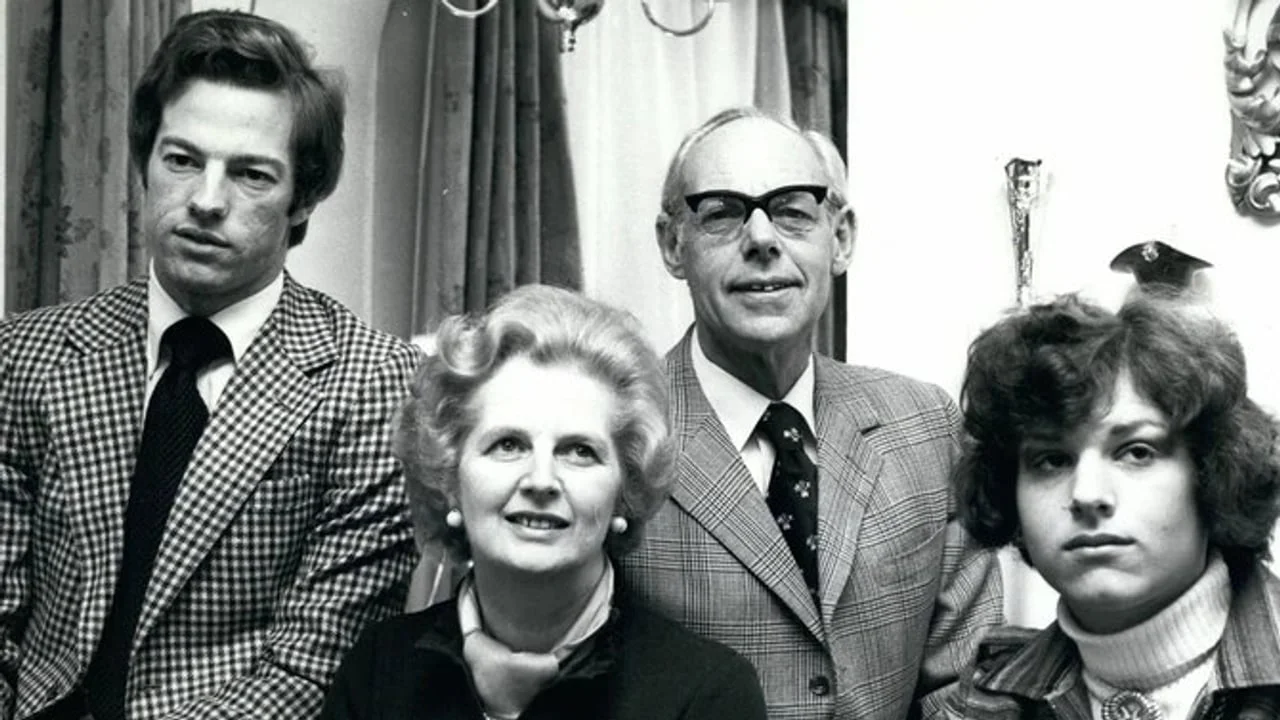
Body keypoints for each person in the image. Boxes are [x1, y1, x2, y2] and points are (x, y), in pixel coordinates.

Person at [0, 10, 419, 720]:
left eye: (251, 174)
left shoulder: (375, 384)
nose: (205, 201)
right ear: (145, 164)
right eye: (182, 160)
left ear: (303, 198)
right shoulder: (26, 355)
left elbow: (309, 671)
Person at [618, 106, 1004, 719]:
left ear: (840, 238)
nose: (762, 239)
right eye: (722, 213)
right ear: (673, 245)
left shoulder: (925, 426)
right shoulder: (616, 435)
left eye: (793, 210)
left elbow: (963, 686)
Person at [320, 284, 768, 720]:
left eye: (579, 452)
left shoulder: (706, 694)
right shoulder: (379, 671)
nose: (541, 481)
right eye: (508, 445)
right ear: (449, 477)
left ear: (625, 491)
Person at [941, 293, 1280, 719]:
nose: (1086, 494)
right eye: (1052, 460)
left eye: (1136, 452)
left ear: (1213, 473)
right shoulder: (986, 700)